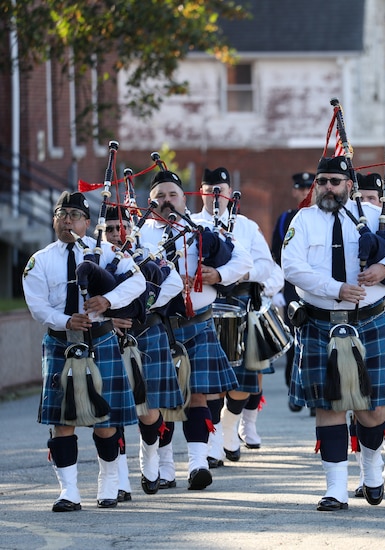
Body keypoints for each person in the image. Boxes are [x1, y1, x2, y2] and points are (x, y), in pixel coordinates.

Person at [281, 156, 385, 511]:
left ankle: (371, 469)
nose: (329, 187)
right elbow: (292, 266)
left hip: (371, 321)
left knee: (372, 411)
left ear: (348, 185)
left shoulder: (373, 216)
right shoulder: (304, 220)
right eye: (323, 181)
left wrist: (383, 267)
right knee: (328, 407)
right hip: (320, 322)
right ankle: (334, 490)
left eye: (335, 181)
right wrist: (335, 288)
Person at [22, 191, 147, 511]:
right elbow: (37, 307)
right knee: (62, 422)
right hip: (62, 342)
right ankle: (69, 491)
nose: (67, 220)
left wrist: (107, 301)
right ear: (54, 220)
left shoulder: (105, 253)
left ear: (88, 223)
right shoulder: (40, 259)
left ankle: (108, 482)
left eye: (75, 215)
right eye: (62, 214)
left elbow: (137, 283)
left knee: (105, 422)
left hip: (100, 339)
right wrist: (66, 319)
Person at [141, 169, 252, 491]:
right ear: (150, 201)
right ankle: (163, 466)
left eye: (172, 194)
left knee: (197, 396)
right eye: (160, 196)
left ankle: (197, 463)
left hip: (198, 322)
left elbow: (242, 261)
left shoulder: (202, 228)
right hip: (157, 327)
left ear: (183, 197)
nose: (166, 201)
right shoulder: (140, 234)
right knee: (160, 400)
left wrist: (216, 275)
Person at [192, 167, 284, 465]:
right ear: (202, 192)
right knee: (209, 383)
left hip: (242, 303)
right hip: (206, 306)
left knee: (243, 382)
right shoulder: (190, 225)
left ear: (230, 194)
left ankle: (230, 425)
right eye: (210, 190)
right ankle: (214, 439)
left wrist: (237, 272)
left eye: (221, 190)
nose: (216, 196)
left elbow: (267, 267)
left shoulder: (245, 226)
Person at [101, 206, 186, 496]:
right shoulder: (94, 256)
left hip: (147, 332)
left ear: (131, 228)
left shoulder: (148, 252)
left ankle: (150, 457)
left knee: (148, 410)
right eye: (109, 229)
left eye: (120, 227)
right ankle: (120, 480)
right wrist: (108, 318)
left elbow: (173, 282)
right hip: (107, 337)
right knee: (114, 412)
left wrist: (142, 306)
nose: (115, 234)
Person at [272, 172, 314, 412]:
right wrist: (277, 288)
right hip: (291, 290)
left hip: (319, 289)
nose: (304, 193)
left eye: (309, 188)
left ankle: (316, 396)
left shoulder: (322, 218)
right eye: (301, 189)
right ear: (295, 192)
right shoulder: (285, 219)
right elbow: (276, 255)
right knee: (295, 342)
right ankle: (294, 388)